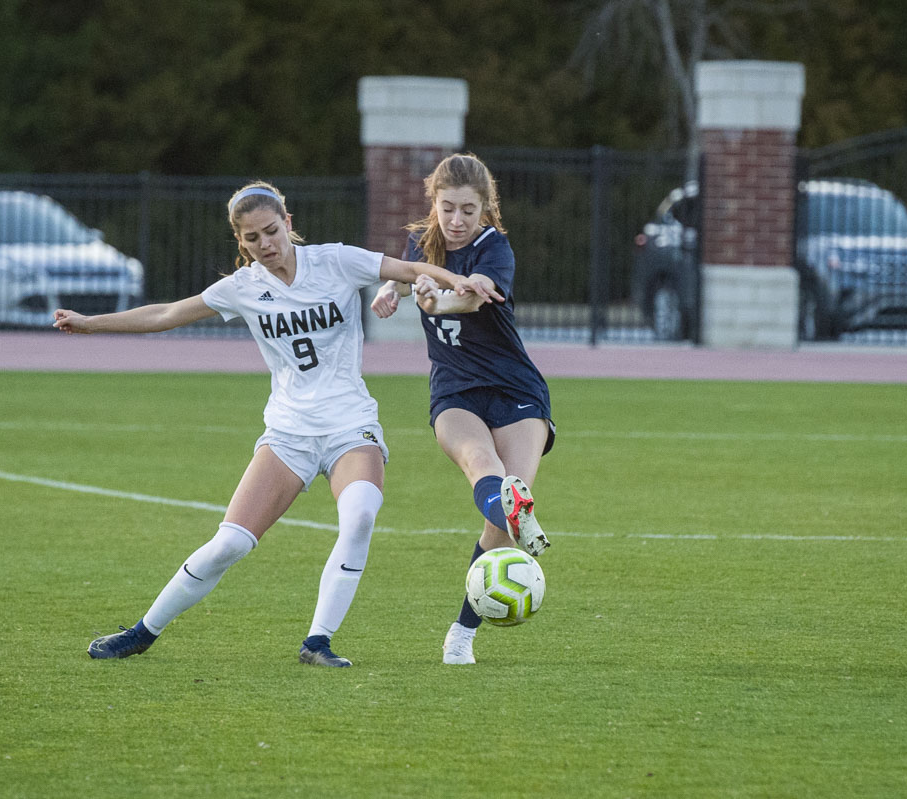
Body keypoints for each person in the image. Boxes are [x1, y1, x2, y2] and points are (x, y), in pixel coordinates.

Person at [55, 181, 500, 667]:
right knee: (229, 544)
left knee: (359, 518)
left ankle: (317, 643)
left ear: (288, 224)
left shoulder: (335, 261)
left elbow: (412, 268)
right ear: (240, 242)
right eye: (251, 238)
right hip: (288, 434)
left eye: (271, 231)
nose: (265, 244)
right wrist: (90, 322)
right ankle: (141, 632)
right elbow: (167, 313)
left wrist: (458, 283)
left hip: (351, 427)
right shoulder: (243, 288)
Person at [370, 153, 554, 666]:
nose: (455, 221)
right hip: (455, 389)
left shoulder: (495, 250)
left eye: (467, 211)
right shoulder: (421, 242)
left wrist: (438, 298)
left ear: (485, 210)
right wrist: (394, 287)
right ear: (434, 202)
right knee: (483, 468)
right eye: (447, 207)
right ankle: (518, 514)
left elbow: (472, 302)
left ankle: (461, 633)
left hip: (515, 388)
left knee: (498, 523)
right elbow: (408, 272)